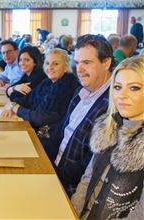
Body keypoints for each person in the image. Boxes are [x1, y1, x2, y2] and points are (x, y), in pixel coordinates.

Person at [71, 55, 144, 219]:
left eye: (134, 88)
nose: (122, 95)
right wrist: (71, 213)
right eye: (117, 87)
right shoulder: (108, 126)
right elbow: (87, 180)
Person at [42, 34, 113, 197]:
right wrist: (38, 155)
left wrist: (53, 174)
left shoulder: (114, 104)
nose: (79, 69)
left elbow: (93, 162)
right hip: (53, 170)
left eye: (86, 63)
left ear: (106, 63)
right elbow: (61, 131)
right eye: (77, 63)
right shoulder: (81, 91)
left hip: (71, 187)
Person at [2, 48, 79, 131]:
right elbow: (27, 99)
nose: (50, 67)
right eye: (47, 63)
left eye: (55, 64)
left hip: (47, 136)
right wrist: (13, 104)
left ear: (66, 67)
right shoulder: (47, 82)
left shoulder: (68, 86)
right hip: (33, 128)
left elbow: (43, 118)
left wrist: (16, 108)